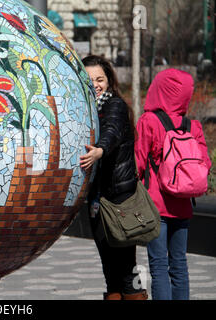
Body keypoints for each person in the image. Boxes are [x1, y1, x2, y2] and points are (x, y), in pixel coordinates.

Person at [135, 69, 212, 300]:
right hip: (184, 204)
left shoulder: (149, 121)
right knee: (179, 264)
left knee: (158, 266)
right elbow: (204, 163)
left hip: (155, 206)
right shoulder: (193, 126)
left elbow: (137, 162)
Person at [80, 55, 148, 300]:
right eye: (90, 80)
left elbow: (112, 131)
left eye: (100, 79)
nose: (96, 84)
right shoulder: (85, 109)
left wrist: (100, 150)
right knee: (109, 271)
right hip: (98, 200)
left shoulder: (114, 105)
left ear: (109, 81)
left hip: (119, 199)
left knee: (126, 269)